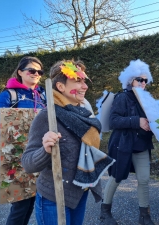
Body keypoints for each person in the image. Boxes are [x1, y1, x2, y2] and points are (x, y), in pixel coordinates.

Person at [21, 59, 103, 225]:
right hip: (53, 198)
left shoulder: (85, 114)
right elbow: (28, 164)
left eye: (84, 81)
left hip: (79, 193)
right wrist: (45, 149)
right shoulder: (47, 117)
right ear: (60, 87)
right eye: (77, 81)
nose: (85, 86)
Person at [0, 56, 46, 225]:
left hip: (41, 156)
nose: (36, 74)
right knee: (21, 207)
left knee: (36, 204)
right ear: (20, 72)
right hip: (18, 160)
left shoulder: (44, 96)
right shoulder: (8, 95)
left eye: (39, 71)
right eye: (31, 70)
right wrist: (26, 140)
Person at [100, 59, 155, 225]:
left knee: (144, 179)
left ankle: (144, 216)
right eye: (139, 79)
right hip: (123, 145)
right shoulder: (122, 97)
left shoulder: (147, 99)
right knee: (116, 177)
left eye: (145, 80)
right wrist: (137, 121)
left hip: (142, 145)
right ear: (131, 80)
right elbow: (114, 121)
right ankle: (105, 213)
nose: (143, 83)